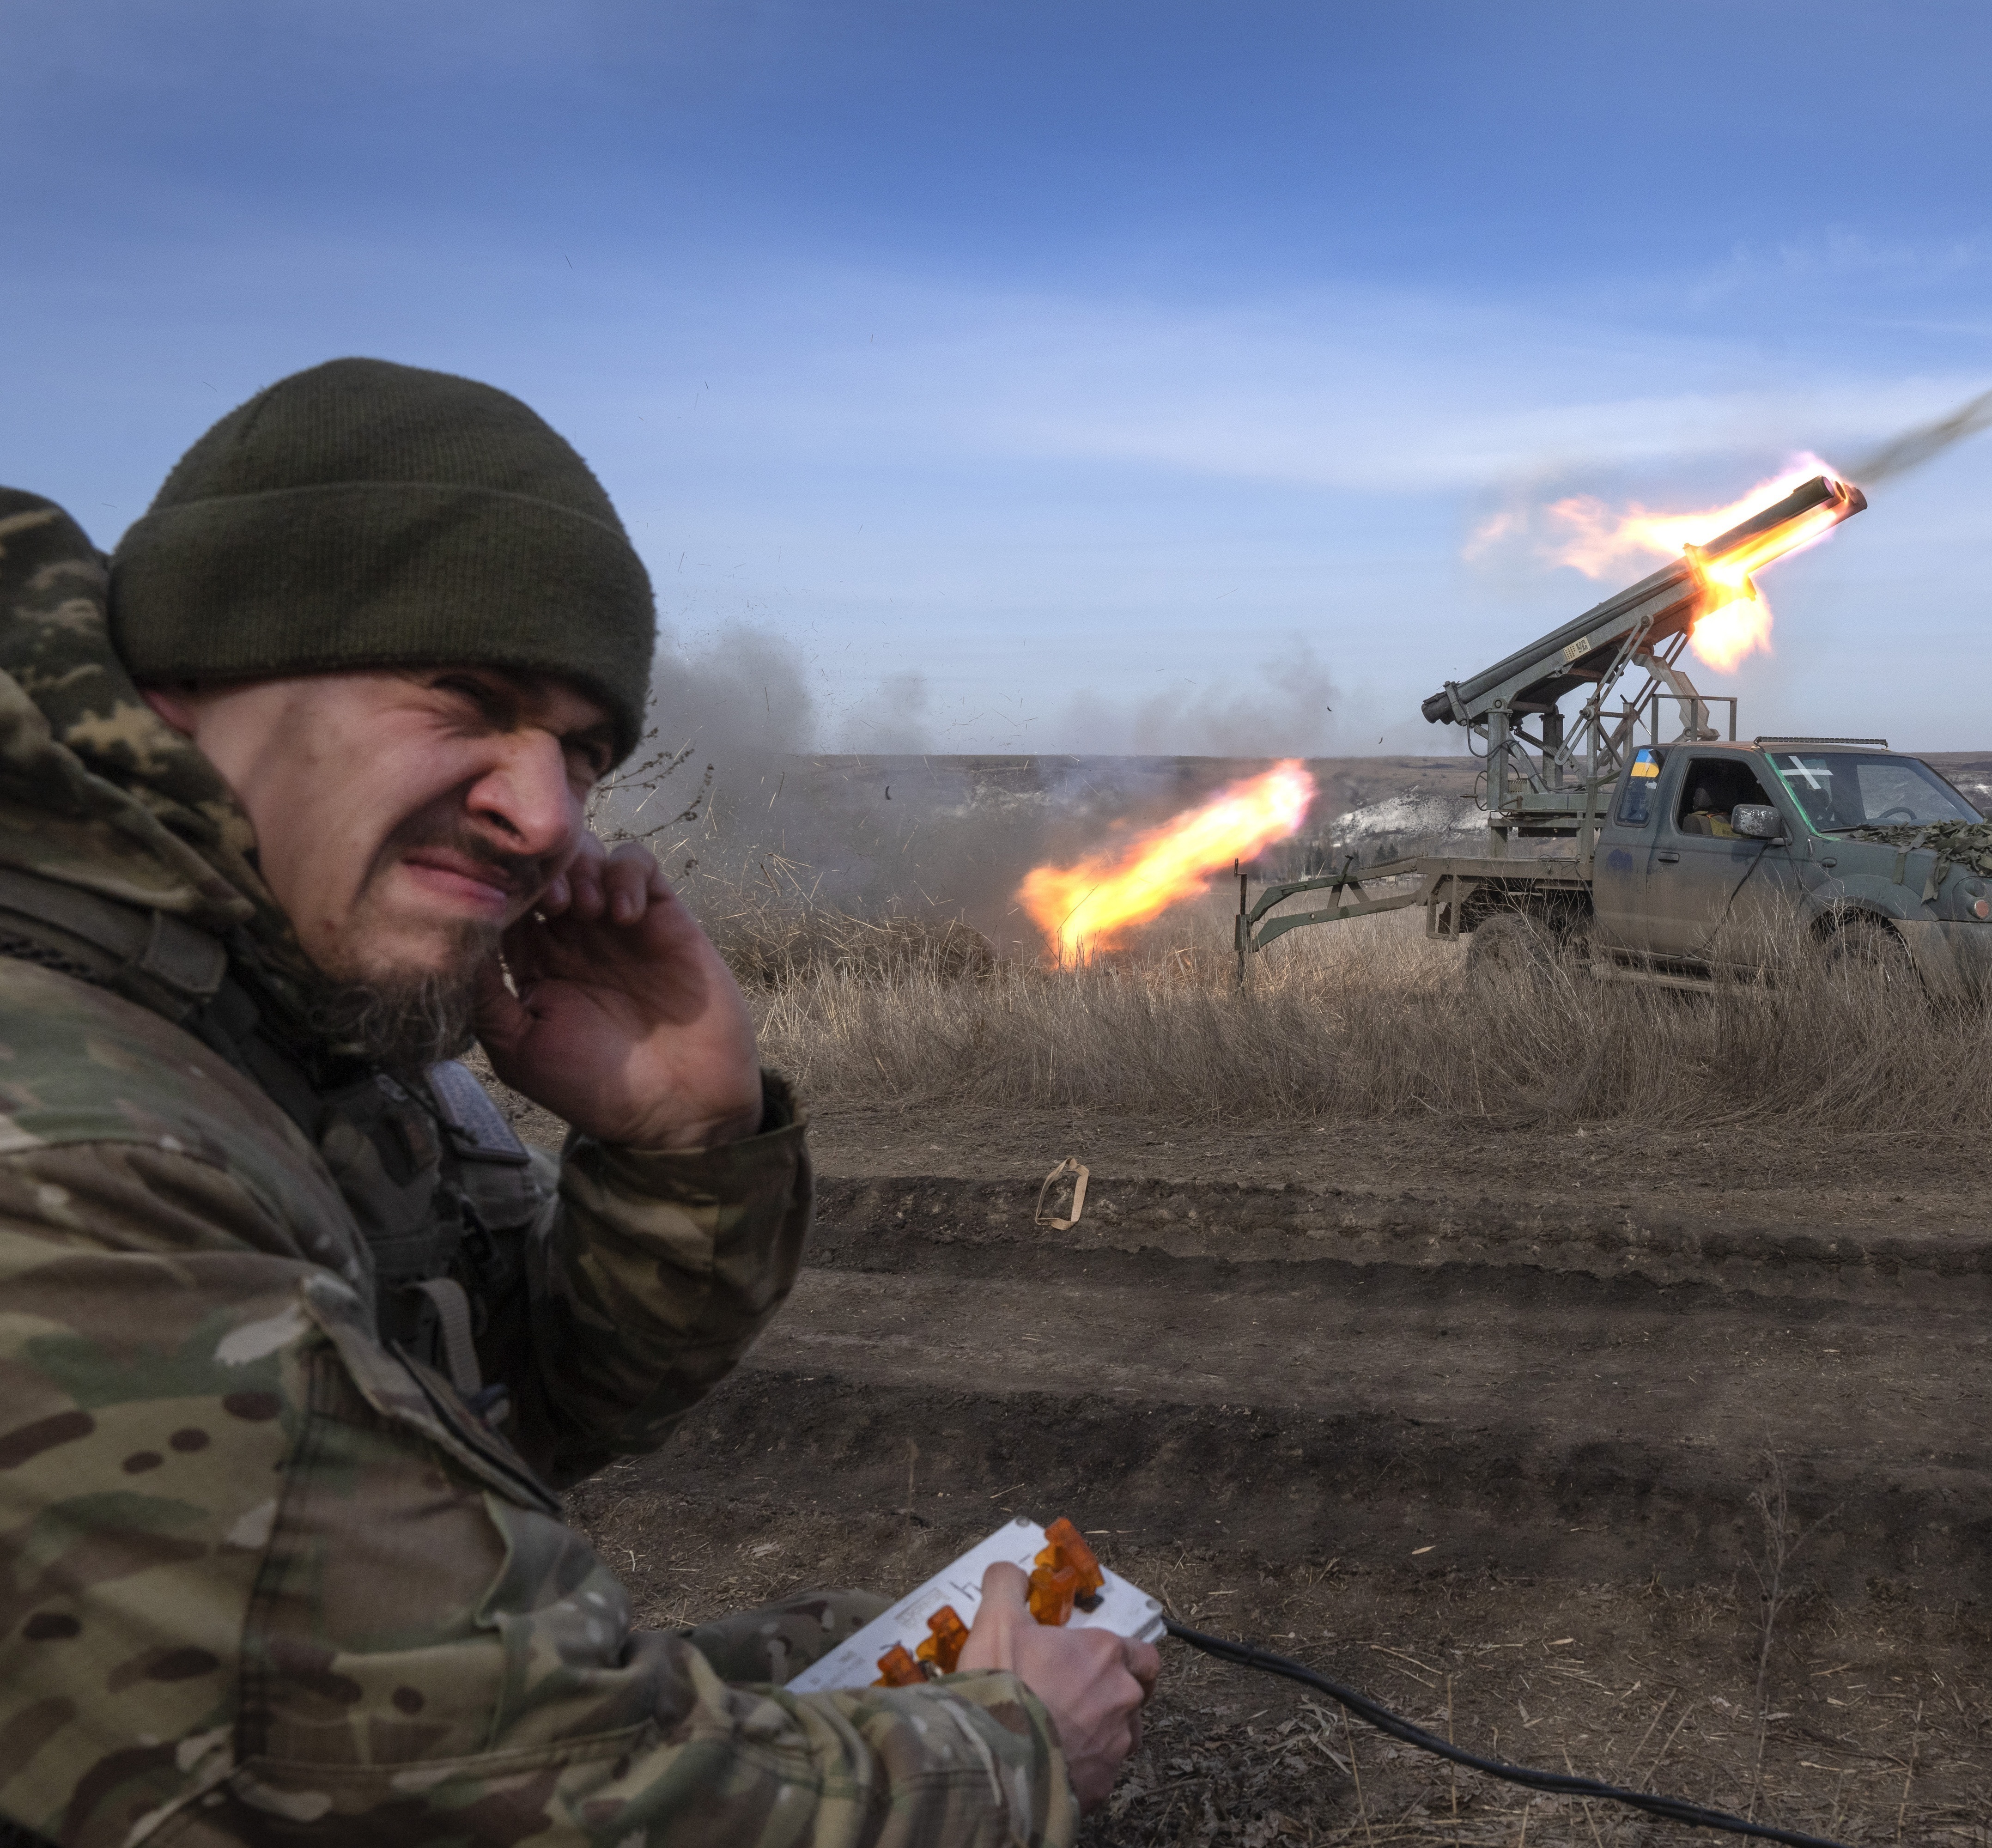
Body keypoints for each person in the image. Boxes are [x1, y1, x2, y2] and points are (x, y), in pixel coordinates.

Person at [0, 359, 1154, 1848]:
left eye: (583, 754)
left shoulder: (273, 1032)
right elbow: (473, 1800)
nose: (546, 819)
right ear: (190, 683)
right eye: (464, 703)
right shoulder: (74, 1154)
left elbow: (499, 1419)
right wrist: (1008, 1754)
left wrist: (680, 1144)